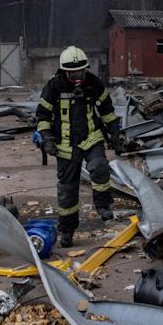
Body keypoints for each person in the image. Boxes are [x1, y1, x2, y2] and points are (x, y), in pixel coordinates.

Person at [35, 46, 120, 247]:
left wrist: (115, 133)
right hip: (64, 144)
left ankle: (103, 206)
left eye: (81, 71)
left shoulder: (94, 83)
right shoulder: (54, 86)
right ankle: (67, 230)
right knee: (67, 190)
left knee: (99, 166)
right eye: (73, 72)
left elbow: (107, 109)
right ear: (65, 71)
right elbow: (43, 115)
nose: (78, 76)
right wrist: (47, 138)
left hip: (91, 137)